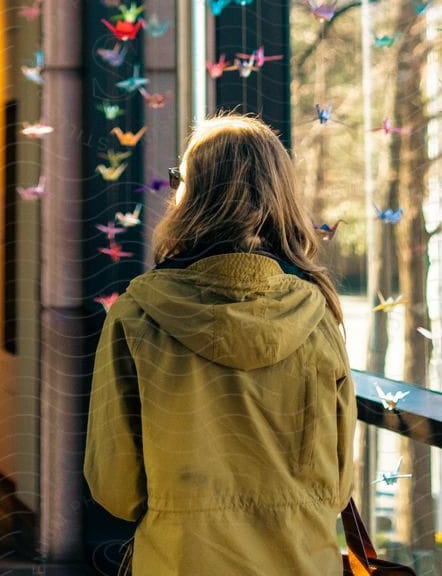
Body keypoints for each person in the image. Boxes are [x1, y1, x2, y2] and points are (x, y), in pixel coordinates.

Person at [85, 113, 356, 576]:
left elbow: (116, 487)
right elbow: (338, 484)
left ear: (191, 196)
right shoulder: (317, 315)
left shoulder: (138, 314)